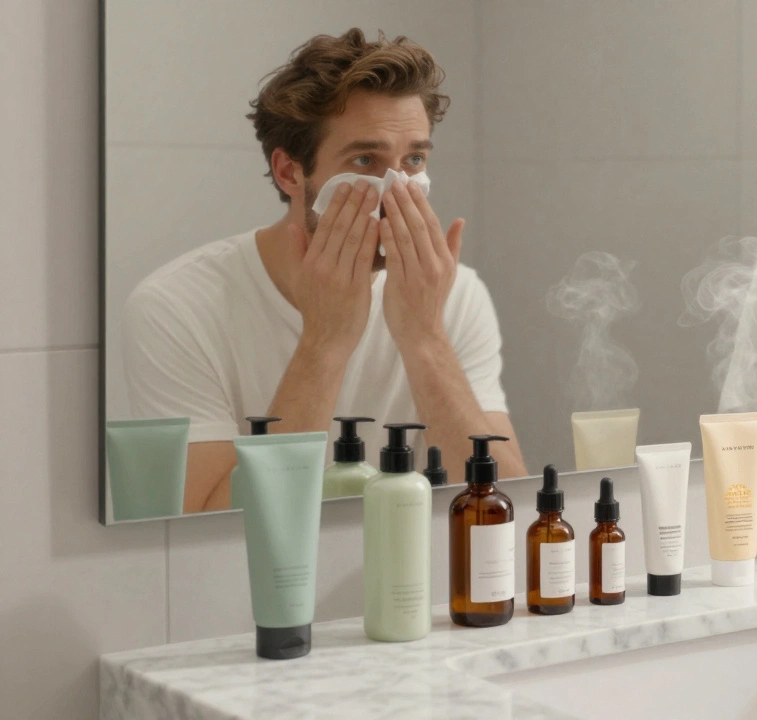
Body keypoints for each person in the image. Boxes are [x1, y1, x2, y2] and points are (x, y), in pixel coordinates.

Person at [121, 29, 527, 513]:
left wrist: (424, 335)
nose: (398, 189)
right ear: (290, 172)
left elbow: (511, 513)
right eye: (365, 160)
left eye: (414, 159)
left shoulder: (456, 295)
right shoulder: (176, 307)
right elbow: (203, 532)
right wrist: (324, 340)